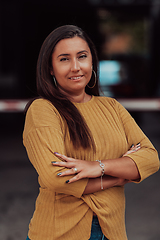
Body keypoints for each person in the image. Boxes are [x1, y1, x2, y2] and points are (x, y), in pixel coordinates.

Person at [23, 25, 159, 240]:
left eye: (82, 56)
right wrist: (119, 176)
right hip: (61, 233)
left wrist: (97, 167)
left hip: (112, 231)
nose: (76, 67)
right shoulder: (43, 109)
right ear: (50, 67)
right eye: (64, 59)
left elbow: (151, 158)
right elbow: (57, 178)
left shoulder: (111, 107)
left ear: (92, 61)